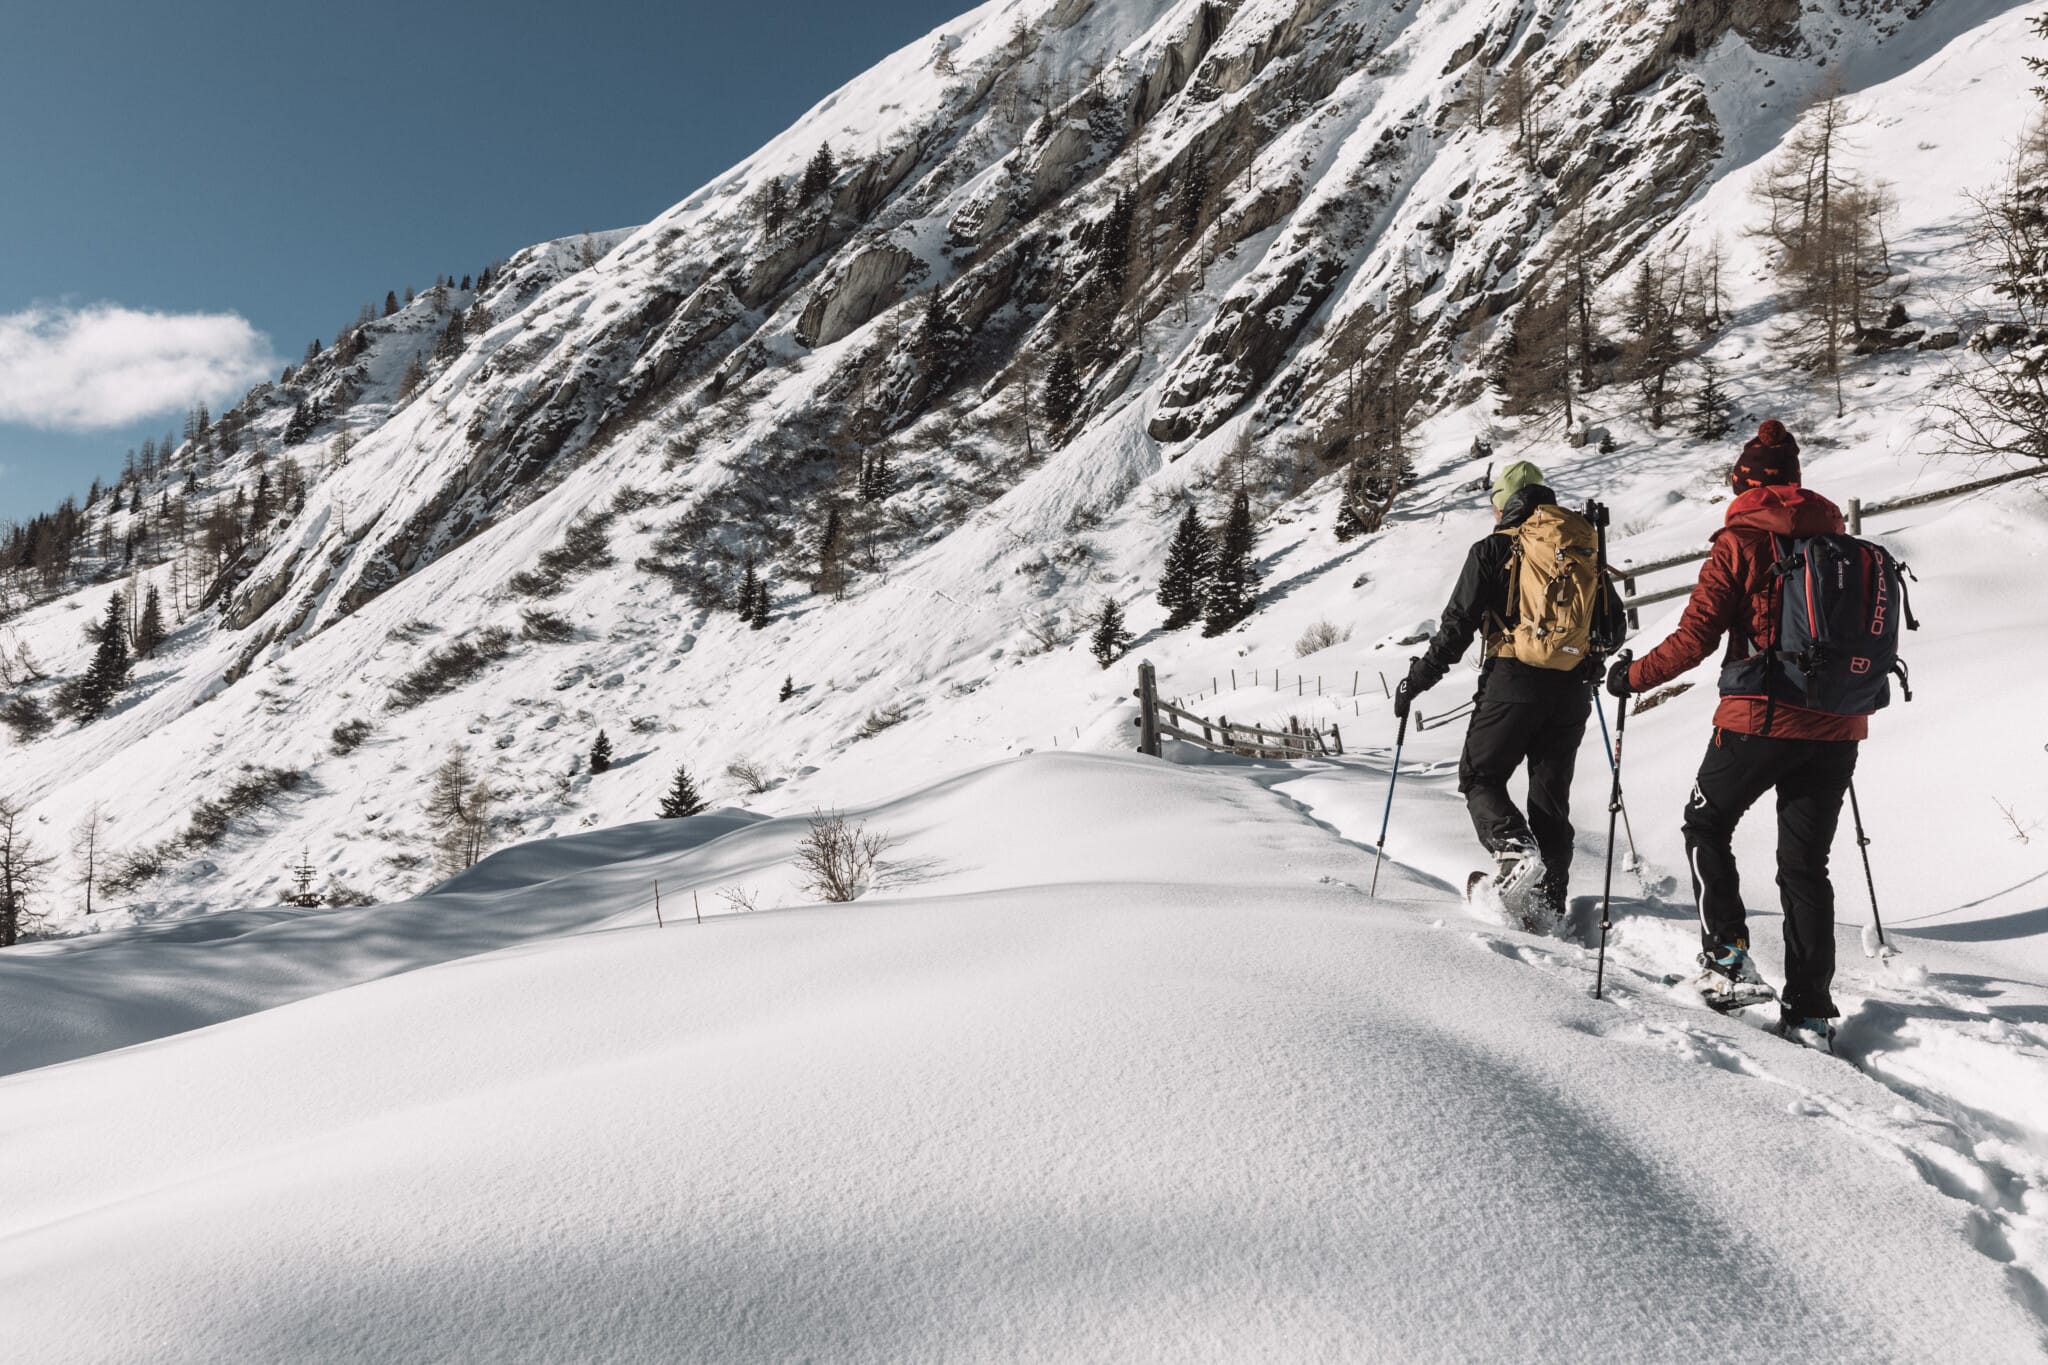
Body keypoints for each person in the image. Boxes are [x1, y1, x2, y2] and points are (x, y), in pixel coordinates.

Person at [1606, 420, 1854, 1045]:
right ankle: (1810, 1010)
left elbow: (1695, 640)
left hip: (1759, 718)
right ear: (1796, 482)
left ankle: (1726, 959)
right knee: (1805, 865)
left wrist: (1631, 677)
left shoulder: (1739, 542)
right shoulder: (1840, 538)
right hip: (1839, 725)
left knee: (1705, 824)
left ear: (1745, 484)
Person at [1398, 461, 1621, 929]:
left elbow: (1456, 628)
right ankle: (1549, 905)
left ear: (1504, 506)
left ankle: (1513, 850)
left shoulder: (1494, 548)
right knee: (1550, 795)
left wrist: (1417, 680)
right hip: (1572, 688)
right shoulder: (1580, 544)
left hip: (1513, 682)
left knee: (1480, 775)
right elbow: (1614, 627)